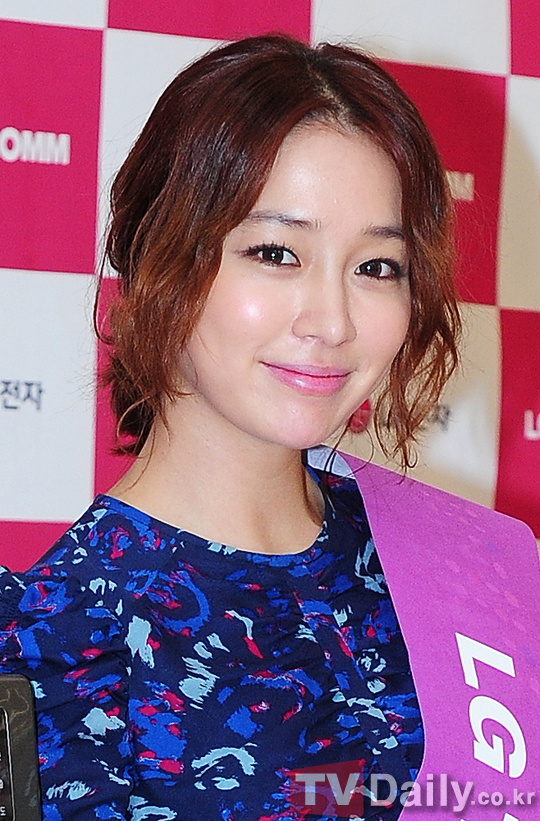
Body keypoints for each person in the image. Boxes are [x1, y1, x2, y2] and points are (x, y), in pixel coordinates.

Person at [0, 34, 462, 820]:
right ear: (160, 261)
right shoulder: (57, 637)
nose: (332, 321)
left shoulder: (445, 565)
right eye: (277, 252)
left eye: (376, 267)